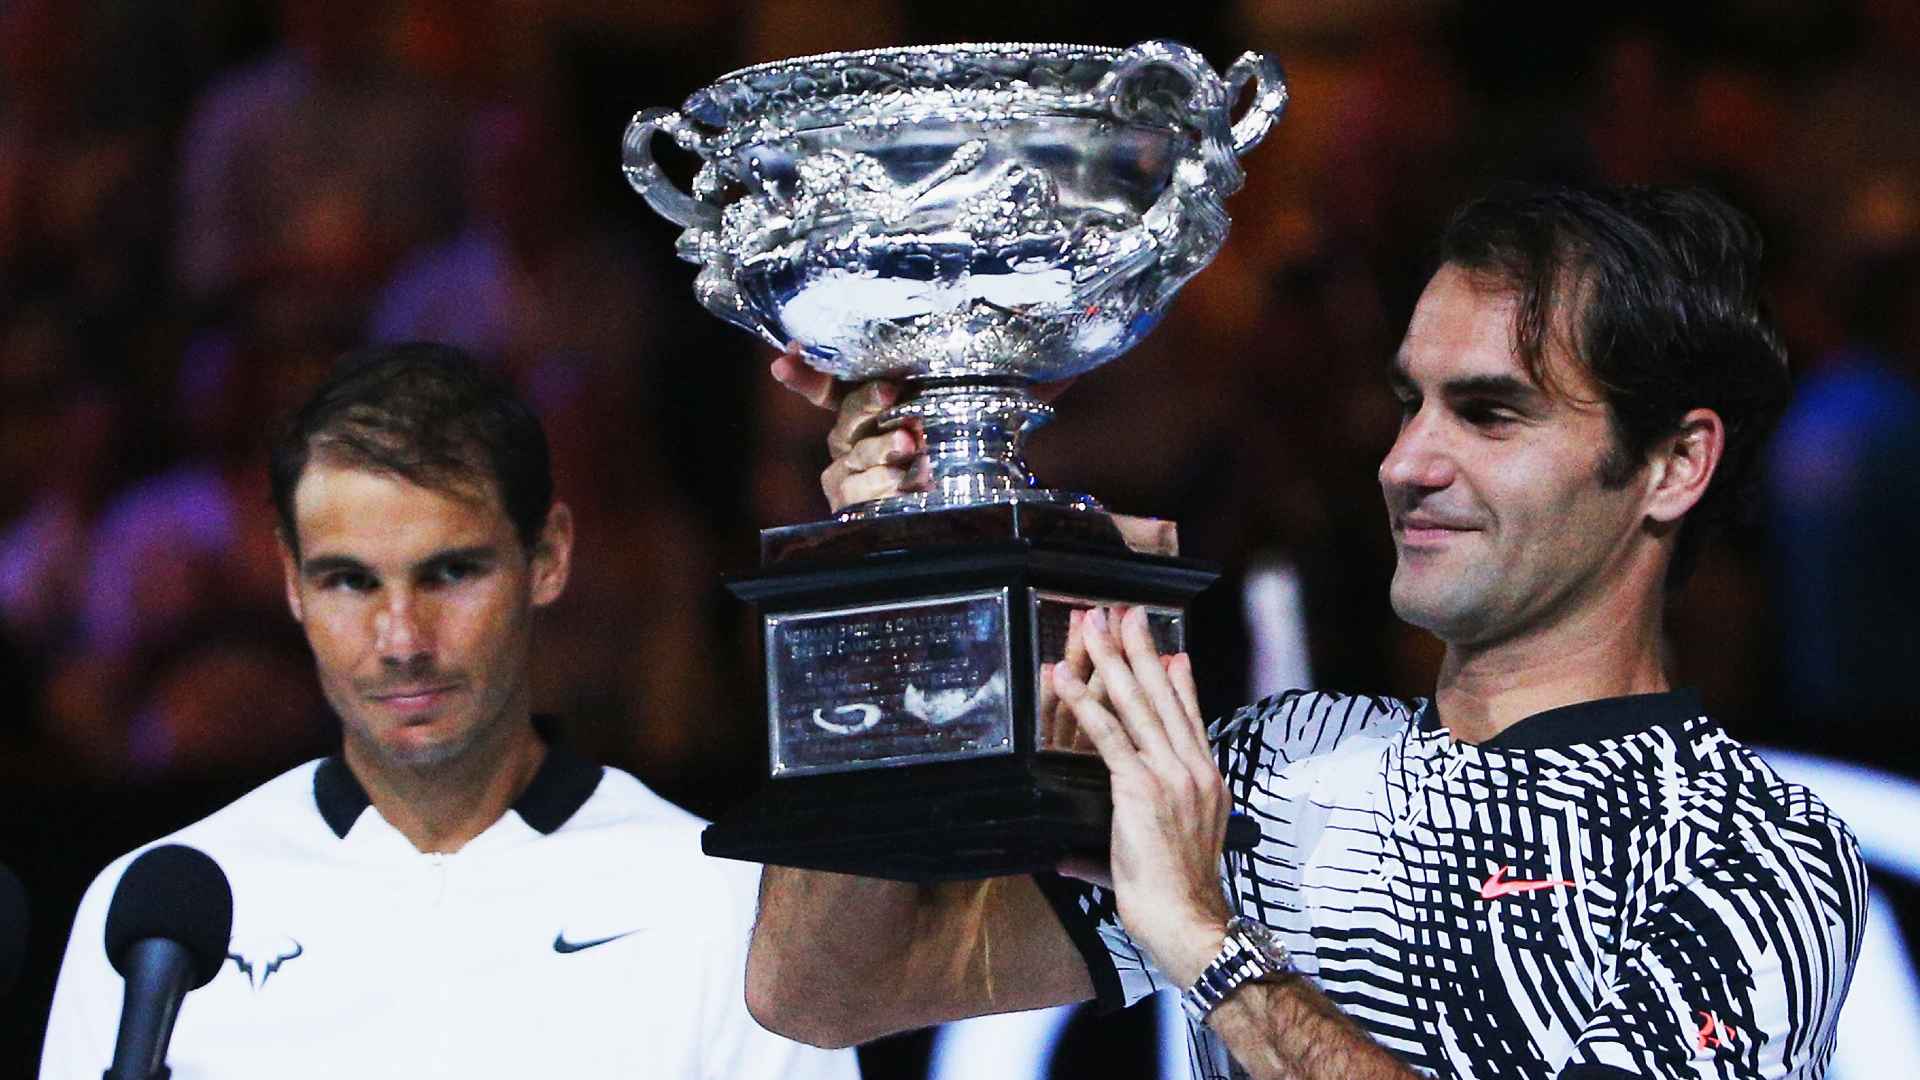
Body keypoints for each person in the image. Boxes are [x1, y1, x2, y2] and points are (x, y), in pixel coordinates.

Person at [747, 184, 1867, 1079]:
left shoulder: (1753, 845)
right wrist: (890, 567)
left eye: (1487, 413)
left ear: (1675, 464)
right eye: (1409, 403)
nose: (1407, 465)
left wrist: (1208, 943)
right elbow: (825, 990)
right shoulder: (1273, 767)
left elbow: (1189, 931)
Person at [40, 345, 860, 1080]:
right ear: (291, 584)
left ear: (548, 557)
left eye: (449, 573)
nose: (401, 639)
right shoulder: (151, 928)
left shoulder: (720, 906)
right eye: (349, 581)